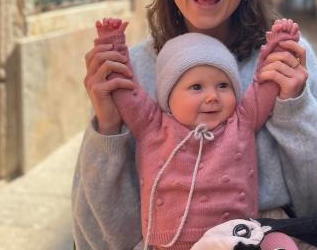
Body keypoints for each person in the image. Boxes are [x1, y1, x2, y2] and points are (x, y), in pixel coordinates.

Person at [73, 0, 317, 250]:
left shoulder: (286, 61)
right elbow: (101, 239)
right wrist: (107, 131)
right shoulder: (132, 72)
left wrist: (294, 109)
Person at [94, 17, 300, 250]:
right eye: (196, 87)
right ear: (168, 96)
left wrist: (281, 45)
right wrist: (112, 44)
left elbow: (266, 82)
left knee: (280, 242)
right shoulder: (151, 125)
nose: (212, 96)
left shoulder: (241, 121)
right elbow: (124, 88)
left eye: (223, 85)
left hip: (236, 238)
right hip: (170, 243)